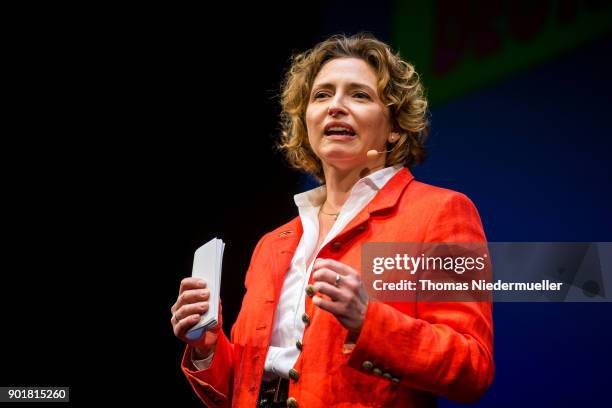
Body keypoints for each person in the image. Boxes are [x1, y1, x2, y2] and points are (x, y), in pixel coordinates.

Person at [170, 33, 494, 407]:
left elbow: (472, 367)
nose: (335, 106)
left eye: (359, 95)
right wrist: (206, 348)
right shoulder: (272, 244)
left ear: (394, 127)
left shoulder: (440, 212)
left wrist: (368, 320)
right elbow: (240, 389)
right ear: (306, 122)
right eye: (322, 95)